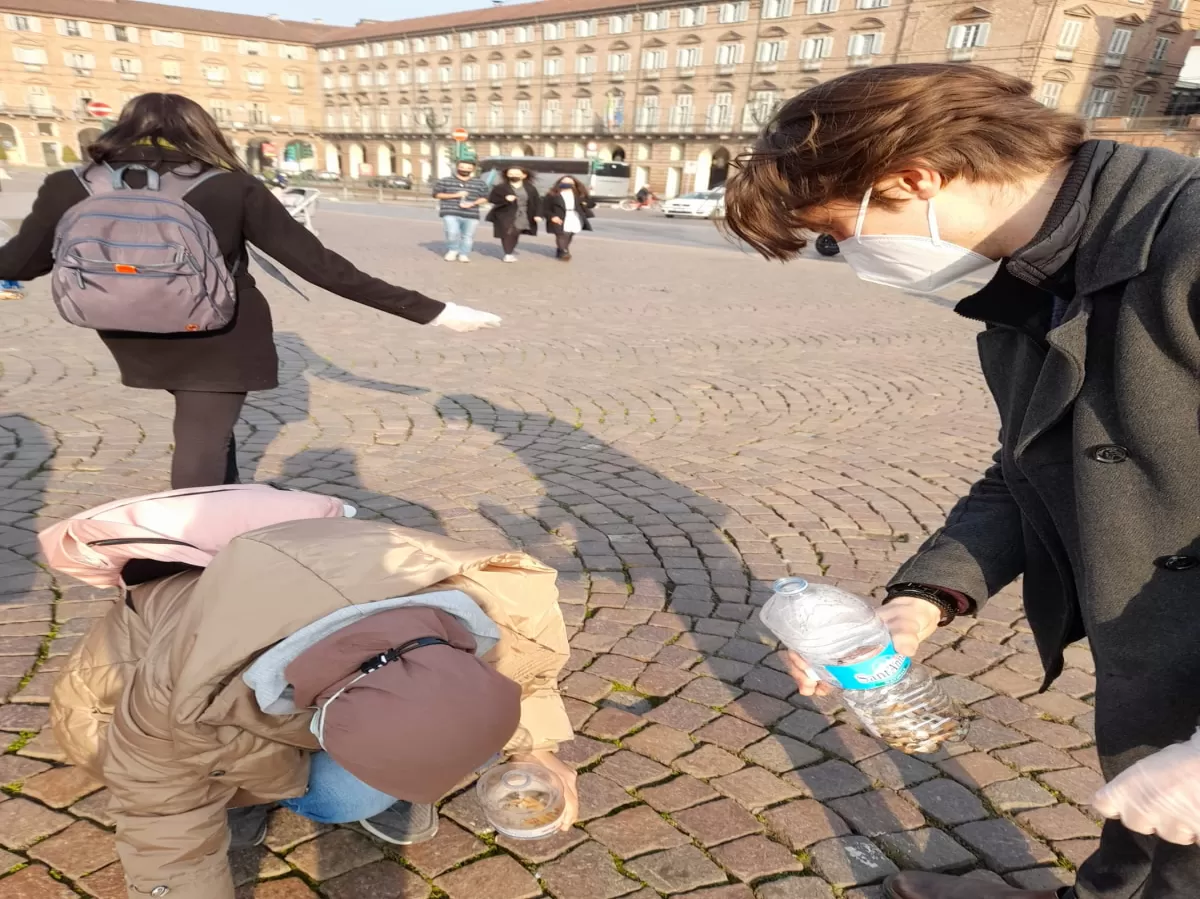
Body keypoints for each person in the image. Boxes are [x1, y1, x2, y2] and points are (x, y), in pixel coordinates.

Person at [724, 63, 1200, 899]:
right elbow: (1033, 459)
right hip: (1157, 652)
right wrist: (922, 600)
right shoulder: (1035, 279)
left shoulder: (1190, 241)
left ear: (914, 178)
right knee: (1144, 836)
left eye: (839, 232)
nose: (847, 256)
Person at [42, 484, 578, 899]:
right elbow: (160, 818)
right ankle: (237, 791)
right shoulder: (178, 692)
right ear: (321, 719)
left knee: (475, 737)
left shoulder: (499, 597)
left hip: (304, 663)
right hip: (135, 716)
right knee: (349, 795)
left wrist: (539, 750)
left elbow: (528, 669)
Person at [0, 93, 500, 491]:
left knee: (210, 436)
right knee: (201, 440)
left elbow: (22, 263)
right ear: (200, 130)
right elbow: (321, 267)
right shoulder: (231, 185)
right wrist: (436, 312)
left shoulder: (71, 184)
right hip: (219, 330)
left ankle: (227, 509)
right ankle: (192, 561)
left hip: (125, 325)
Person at [433, 158, 490, 262]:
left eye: (468, 168)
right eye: (462, 167)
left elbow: (485, 197)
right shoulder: (445, 180)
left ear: (473, 169)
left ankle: (464, 253)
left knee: (468, 236)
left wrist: (473, 203)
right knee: (451, 232)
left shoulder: (480, 183)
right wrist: (456, 195)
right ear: (457, 167)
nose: (465, 169)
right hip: (450, 211)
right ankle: (453, 250)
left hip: (471, 213)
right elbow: (437, 194)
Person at [486, 166, 542, 263]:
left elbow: (537, 202)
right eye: (511, 174)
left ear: (523, 175)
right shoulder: (501, 187)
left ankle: (510, 250)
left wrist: (538, 214)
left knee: (516, 233)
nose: (513, 176)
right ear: (506, 175)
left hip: (523, 213)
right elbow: (492, 199)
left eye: (516, 173)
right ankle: (507, 254)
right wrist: (505, 199)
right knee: (507, 232)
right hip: (504, 214)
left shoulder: (530, 188)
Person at [543, 176, 596, 261]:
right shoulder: (552, 195)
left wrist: (585, 203)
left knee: (569, 234)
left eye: (569, 183)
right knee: (561, 234)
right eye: (564, 182)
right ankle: (564, 252)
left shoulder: (579, 194)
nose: (566, 184)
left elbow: (592, 203)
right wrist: (552, 216)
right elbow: (544, 208)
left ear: (574, 184)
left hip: (574, 216)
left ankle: (561, 249)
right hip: (559, 216)